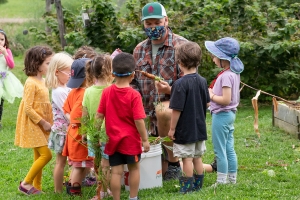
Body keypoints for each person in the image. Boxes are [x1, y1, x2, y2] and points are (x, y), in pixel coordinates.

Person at [132, 1, 188, 181]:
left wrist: (172, 90)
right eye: (149, 24)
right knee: (154, 169)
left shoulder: (182, 46)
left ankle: (173, 164)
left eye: (157, 23)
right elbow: (132, 81)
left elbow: (191, 84)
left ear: (166, 20)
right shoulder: (139, 49)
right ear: (144, 24)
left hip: (174, 108)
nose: (153, 27)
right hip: (145, 111)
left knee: (162, 109)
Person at [96, 52, 150, 200]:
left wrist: (96, 134)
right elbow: (139, 120)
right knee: (134, 169)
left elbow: (99, 116)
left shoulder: (107, 92)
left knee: (116, 172)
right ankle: (133, 197)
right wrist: (145, 140)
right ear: (133, 75)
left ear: (113, 74)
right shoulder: (134, 95)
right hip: (131, 142)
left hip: (112, 140)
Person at [168, 42, 210, 193]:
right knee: (197, 157)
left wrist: (172, 129)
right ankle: (198, 185)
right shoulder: (203, 81)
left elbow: (176, 110)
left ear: (180, 63)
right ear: (198, 61)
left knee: (187, 159)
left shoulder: (179, 84)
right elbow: (206, 103)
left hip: (185, 130)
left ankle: (187, 188)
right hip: (199, 128)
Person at [14, 46, 54, 195]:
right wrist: (43, 122)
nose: (50, 66)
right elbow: (28, 108)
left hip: (41, 123)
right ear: (37, 64)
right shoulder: (31, 82)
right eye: (48, 63)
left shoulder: (42, 80)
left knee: (38, 155)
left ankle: (37, 186)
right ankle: (26, 183)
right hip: (34, 124)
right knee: (46, 155)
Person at [205, 37, 244, 185]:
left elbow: (226, 100)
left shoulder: (226, 76)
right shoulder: (233, 73)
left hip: (221, 116)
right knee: (228, 148)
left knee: (219, 150)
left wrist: (211, 95)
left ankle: (221, 181)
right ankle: (232, 179)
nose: (213, 58)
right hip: (229, 115)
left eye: (215, 55)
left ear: (223, 58)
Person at [82, 54, 114, 200]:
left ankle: (102, 189)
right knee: (106, 164)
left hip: (93, 134)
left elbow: (84, 115)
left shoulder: (88, 91)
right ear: (110, 71)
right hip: (108, 134)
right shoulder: (112, 89)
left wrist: (83, 133)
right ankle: (106, 191)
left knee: (98, 164)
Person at [62, 58, 94, 196]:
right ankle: (74, 191)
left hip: (73, 133)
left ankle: (71, 187)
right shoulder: (84, 94)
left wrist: (72, 123)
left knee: (78, 165)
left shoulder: (73, 92)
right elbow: (78, 116)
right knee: (79, 167)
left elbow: (66, 111)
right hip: (80, 135)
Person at [44, 52, 73, 193]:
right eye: (69, 72)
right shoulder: (59, 92)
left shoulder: (66, 88)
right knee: (61, 162)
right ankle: (58, 190)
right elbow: (67, 111)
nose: (71, 75)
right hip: (62, 132)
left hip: (67, 131)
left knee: (68, 161)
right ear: (57, 72)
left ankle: (70, 183)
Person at [0, 29, 23, 129]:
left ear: (5, 41)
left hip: (3, 80)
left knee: (0, 102)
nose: (0, 42)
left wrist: (5, 54)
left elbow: (11, 65)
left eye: (1, 39)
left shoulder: (7, 51)